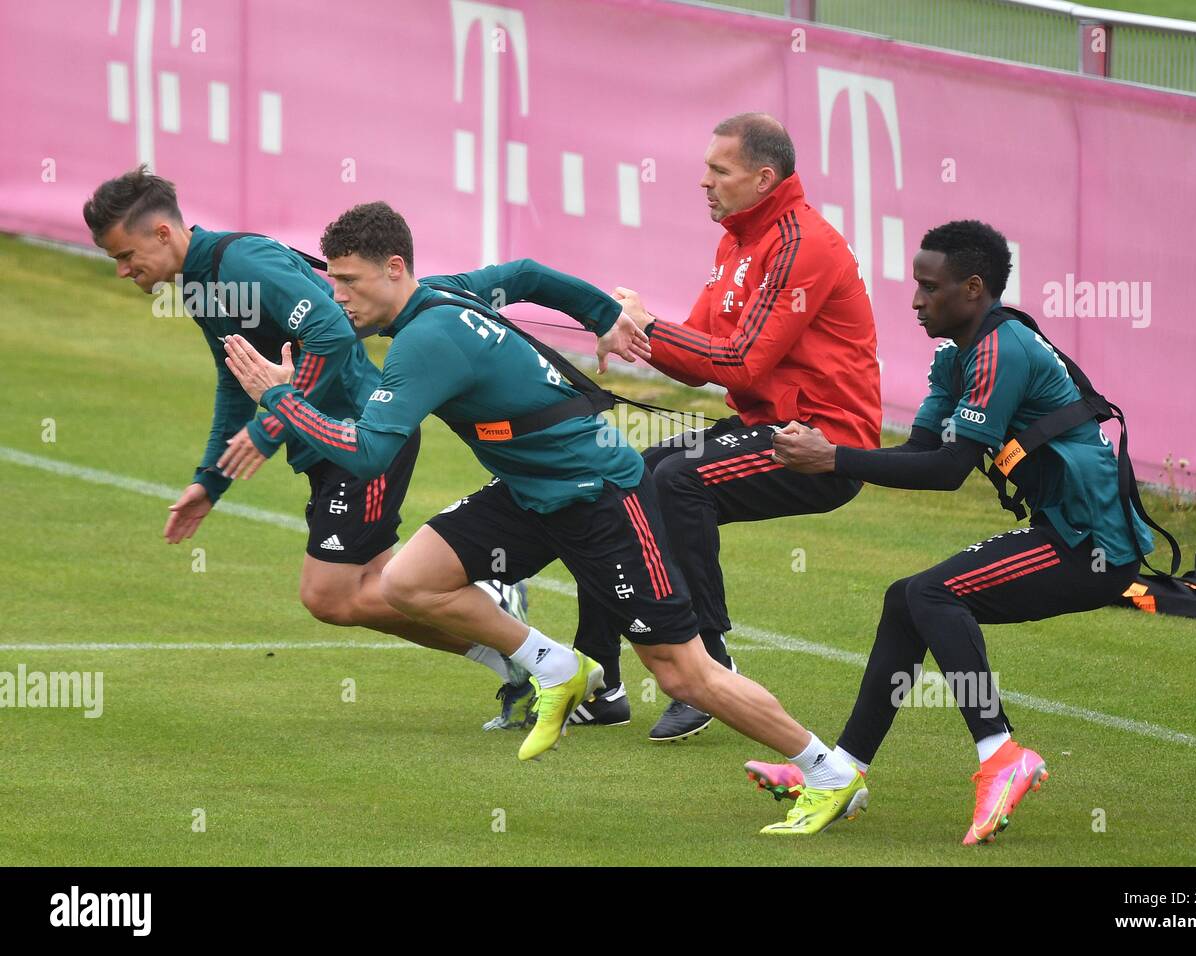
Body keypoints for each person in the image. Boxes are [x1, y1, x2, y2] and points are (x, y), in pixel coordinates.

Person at [224, 200, 870, 835]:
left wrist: (278, 397)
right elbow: (530, 273)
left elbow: (368, 454)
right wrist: (604, 317)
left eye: (348, 281)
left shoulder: (425, 341)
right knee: (409, 580)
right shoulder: (447, 293)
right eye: (331, 279)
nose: (337, 297)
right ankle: (556, 666)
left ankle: (829, 771)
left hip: (602, 502)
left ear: (395, 268)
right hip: (531, 492)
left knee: (683, 671)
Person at [745, 219, 1156, 843]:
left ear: (972, 288)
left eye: (927, 287)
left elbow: (947, 471)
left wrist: (833, 458)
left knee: (933, 594)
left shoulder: (1001, 349)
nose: (914, 300)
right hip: (1064, 532)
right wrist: (826, 449)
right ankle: (842, 772)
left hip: (1093, 547)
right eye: (915, 284)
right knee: (905, 598)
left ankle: (1001, 753)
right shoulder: (955, 354)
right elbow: (918, 453)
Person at [83, 167, 533, 729]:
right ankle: (514, 656)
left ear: (163, 234)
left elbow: (330, 328)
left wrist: (271, 425)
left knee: (329, 595)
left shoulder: (239, 262)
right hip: (325, 447)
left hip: (363, 437)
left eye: (126, 255)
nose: (124, 271)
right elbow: (236, 381)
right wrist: (211, 480)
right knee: (368, 591)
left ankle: (500, 620)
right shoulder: (200, 284)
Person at [572, 113, 881, 742]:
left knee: (678, 481)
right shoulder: (737, 239)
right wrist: (633, 328)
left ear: (763, 178)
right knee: (626, 477)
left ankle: (708, 668)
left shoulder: (803, 244)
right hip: (764, 426)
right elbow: (701, 355)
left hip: (823, 442)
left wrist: (647, 327)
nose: (703, 182)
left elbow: (740, 360)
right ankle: (598, 678)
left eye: (719, 170)